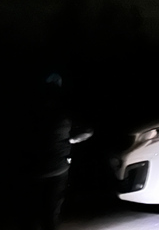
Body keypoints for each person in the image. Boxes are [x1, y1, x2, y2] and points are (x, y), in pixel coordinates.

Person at [24, 72, 92, 230]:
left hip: (34, 170)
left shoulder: (32, 111)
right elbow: (88, 130)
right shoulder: (64, 112)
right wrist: (71, 140)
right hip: (57, 168)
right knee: (51, 212)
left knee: (31, 212)